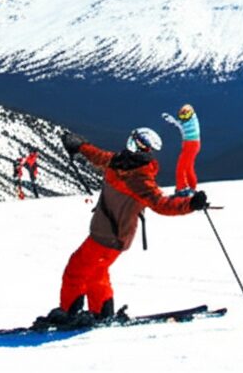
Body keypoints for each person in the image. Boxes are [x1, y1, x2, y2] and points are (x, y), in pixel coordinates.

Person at [36, 128, 209, 329]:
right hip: (107, 233)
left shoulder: (140, 178)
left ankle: (68, 313)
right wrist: (80, 146)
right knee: (96, 272)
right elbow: (100, 157)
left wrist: (189, 204)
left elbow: (160, 204)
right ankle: (101, 312)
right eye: (131, 142)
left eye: (136, 145)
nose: (131, 147)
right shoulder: (120, 162)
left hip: (111, 235)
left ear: (146, 151)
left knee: (76, 269)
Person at [161, 103, 201, 196]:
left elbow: (180, 125)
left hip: (191, 145)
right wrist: (171, 120)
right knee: (188, 167)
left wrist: (171, 120)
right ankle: (192, 188)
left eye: (186, 114)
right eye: (182, 114)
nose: (184, 117)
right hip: (192, 144)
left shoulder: (190, 122)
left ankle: (182, 189)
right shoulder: (191, 119)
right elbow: (180, 124)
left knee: (181, 167)